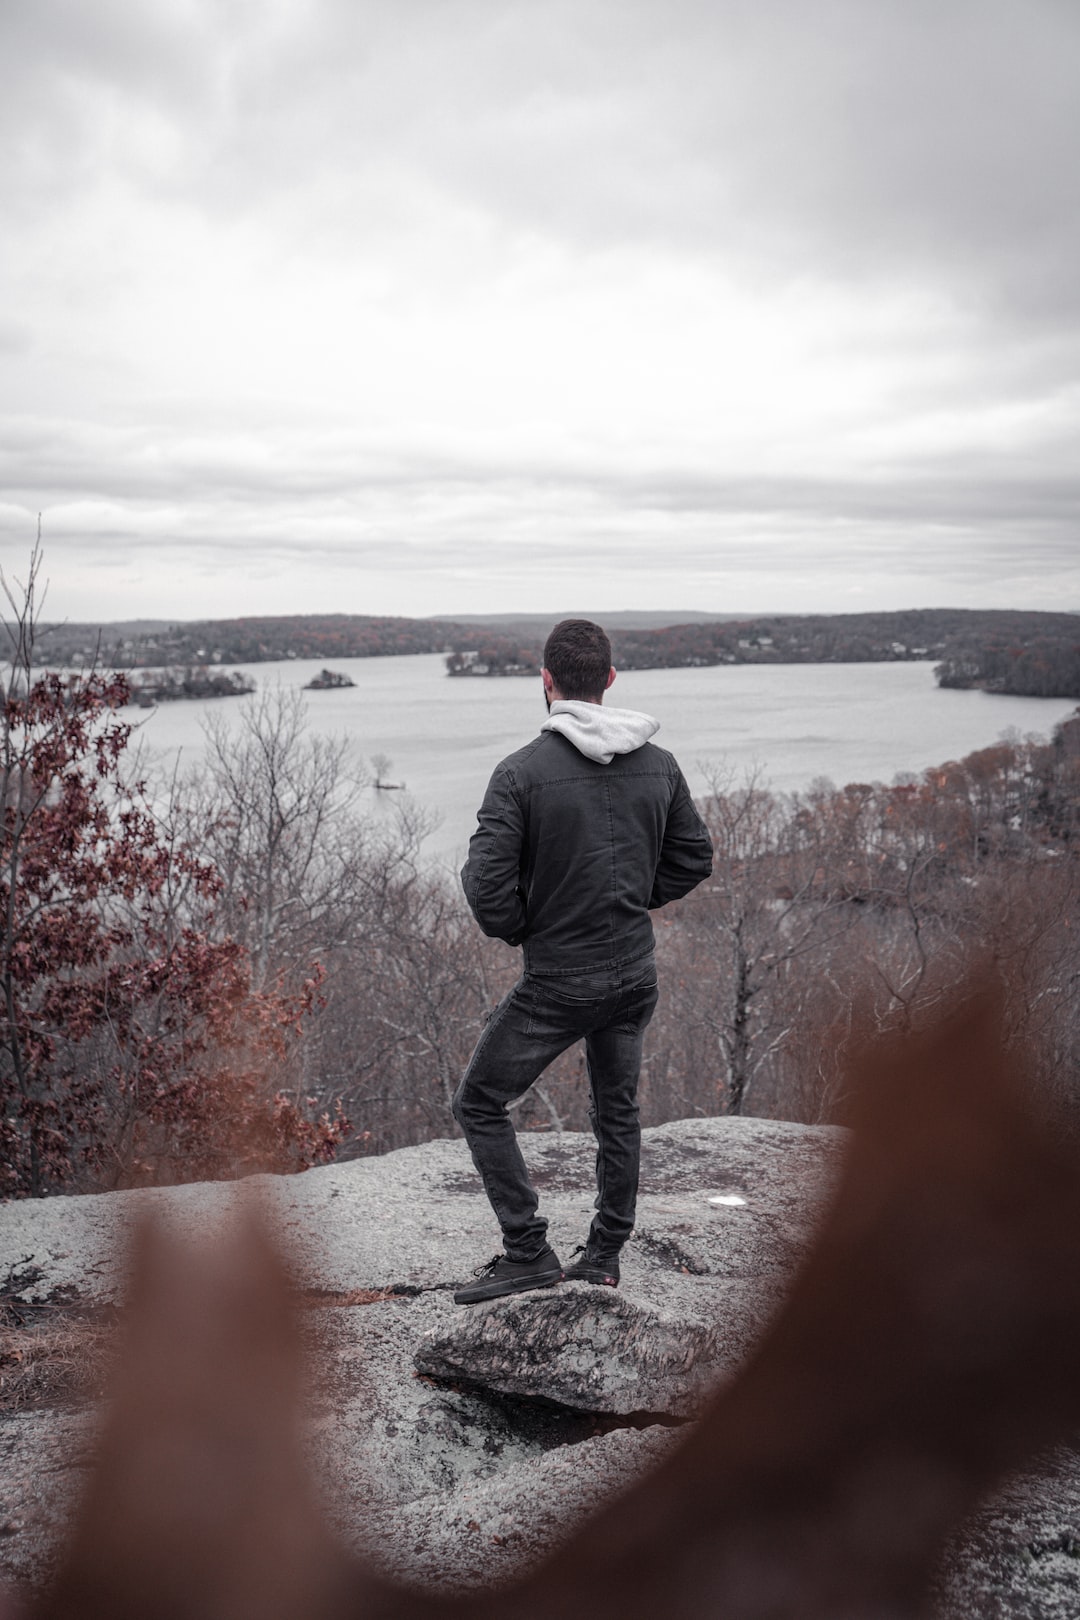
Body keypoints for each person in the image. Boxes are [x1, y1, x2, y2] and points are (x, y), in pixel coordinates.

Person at [452, 618, 714, 1304]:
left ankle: (527, 1251)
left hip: (560, 978)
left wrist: (529, 926)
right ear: (610, 680)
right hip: (633, 972)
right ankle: (602, 1255)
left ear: (547, 682)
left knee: (479, 1101)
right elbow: (694, 858)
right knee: (616, 1110)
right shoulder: (659, 762)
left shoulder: (519, 774)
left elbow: (486, 893)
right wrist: (629, 898)